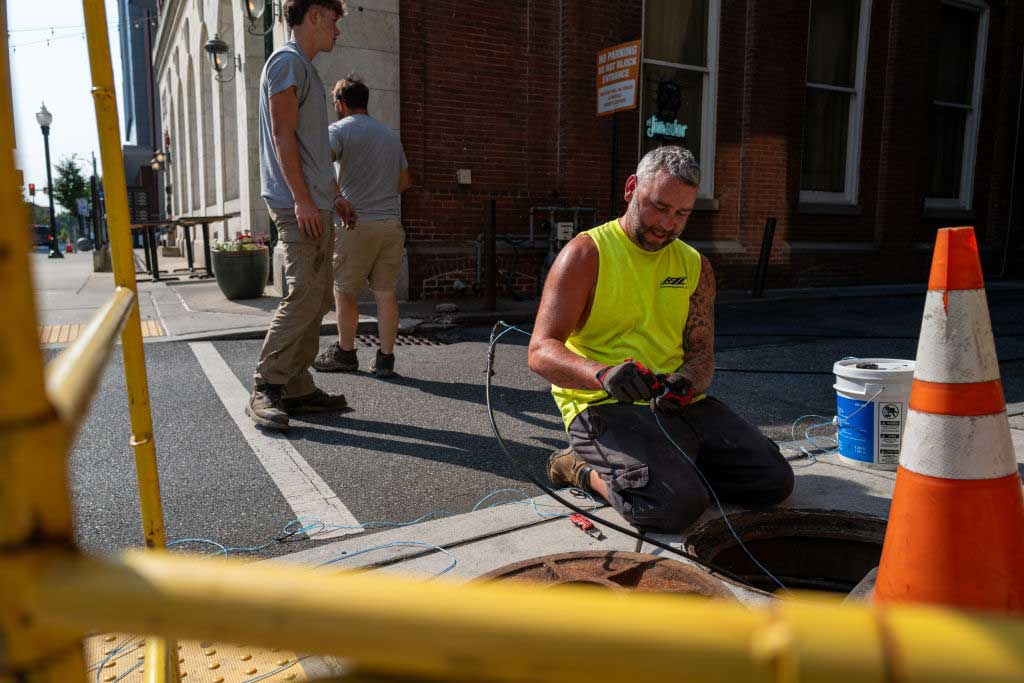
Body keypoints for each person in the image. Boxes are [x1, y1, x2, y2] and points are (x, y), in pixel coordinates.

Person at [527, 146, 794, 532]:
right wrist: (602, 374)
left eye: (681, 214)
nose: (667, 224)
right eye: (658, 206)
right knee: (676, 507)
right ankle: (580, 468)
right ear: (631, 188)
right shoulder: (586, 253)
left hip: (674, 404)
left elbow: (701, 355)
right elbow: (540, 351)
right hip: (602, 405)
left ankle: (670, 465)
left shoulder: (695, 265)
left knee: (773, 482)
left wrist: (687, 382)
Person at [248, 0, 358, 431]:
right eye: (334, 21)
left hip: (315, 202)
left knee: (316, 296)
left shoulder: (306, 70)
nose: (338, 30)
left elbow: (312, 148)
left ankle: (296, 386)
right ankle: (266, 385)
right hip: (299, 205)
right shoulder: (286, 62)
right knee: (301, 294)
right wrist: (302, 200)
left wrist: (334, 194)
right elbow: (282, 134)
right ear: (314, 15)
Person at [313, 76, 411, 378]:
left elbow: (319, 162)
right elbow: (405, 181)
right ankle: (385, 359)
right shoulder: (390, 136)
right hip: (390, 224)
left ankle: (345, 352)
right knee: (385, 293)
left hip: (355, 223)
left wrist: (339, 195)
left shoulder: (338, 130)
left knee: (345, 291)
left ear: (341, 104)